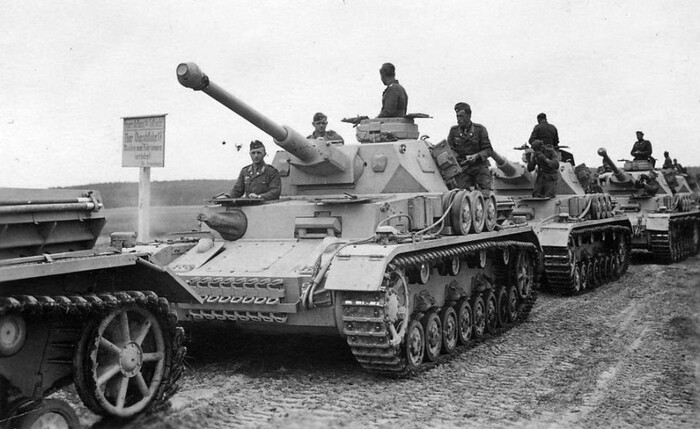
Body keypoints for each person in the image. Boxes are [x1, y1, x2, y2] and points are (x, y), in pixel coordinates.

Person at [447, 102, 493, 191]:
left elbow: (488, 149)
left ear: (469, 116)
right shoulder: (454, 131)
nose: (458, 119)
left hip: (479, 166)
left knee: (485, 191)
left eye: (461, 116)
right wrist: (455, 156)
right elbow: (450, 149)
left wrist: (477, 156)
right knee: (460, 194)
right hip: (463, 168)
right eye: (457, 116)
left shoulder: (480, 130)